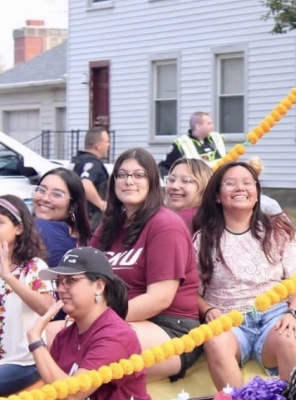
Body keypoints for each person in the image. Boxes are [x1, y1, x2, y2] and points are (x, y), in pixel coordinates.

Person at [89, 148, 202, 382]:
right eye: (122, 175)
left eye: (138, 175)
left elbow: (158, 299)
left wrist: (95, 319)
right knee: (52, 335)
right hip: (116, 320)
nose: (129, 181)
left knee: (100, 343)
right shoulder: (108, 227)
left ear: (152, 181)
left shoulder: (166, 225)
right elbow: (86, 277)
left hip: (171, 327)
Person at [194, 161, 296, 386]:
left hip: (274, 316)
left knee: (289, 338)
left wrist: (292, 314)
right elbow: (191, 291)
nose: (240, 188)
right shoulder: (202, 240)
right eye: (230, 183)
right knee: (214, 339)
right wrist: (207, 309)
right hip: (229, 319)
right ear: (217, 196)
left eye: (248, 183)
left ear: (257, 194)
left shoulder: (279, 231)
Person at [29, 247, 150, 400]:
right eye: (58, 281)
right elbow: (52, 392)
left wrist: (35, 340)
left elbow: (72, 395)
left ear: (99, 286)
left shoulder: (116, 336)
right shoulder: (64, 336)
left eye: (70, 280)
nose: (60, 288)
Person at [0, 195, 52, 396]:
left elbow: (46, 308)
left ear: (19, 229)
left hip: (25, 362)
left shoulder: (34, 267)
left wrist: (8, 277)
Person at [32, 168, 93, 267]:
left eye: (56, 194)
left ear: (73, 205)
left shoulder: (38, 227)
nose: (45, 198)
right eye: (42, 190)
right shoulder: (88, 238)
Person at [158, 112, 227, 176]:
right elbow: (163, 167)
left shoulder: (217, 139)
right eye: (209, 124)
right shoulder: (181, 144)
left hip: (218, 184)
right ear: (198, 126)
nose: (212, 126)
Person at [71, 126, 111, 229]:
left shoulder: (76, 162)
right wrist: (101, 204)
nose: (108, 145)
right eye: (107, 142)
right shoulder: (92, 163)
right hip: (92, 221)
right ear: (98, 146)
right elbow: (85, 184)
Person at [164, 158, 213, 232]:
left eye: (185, 181)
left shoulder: (175, 220)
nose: (174, 186)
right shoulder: (214, 218)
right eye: (171, 180)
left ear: (204, 186)